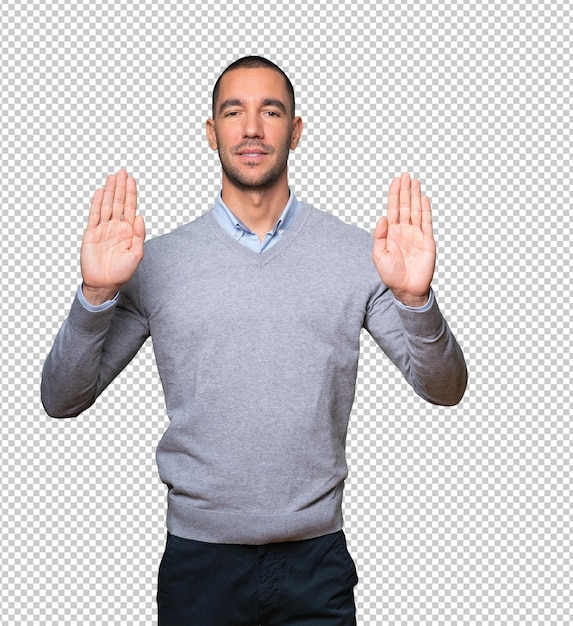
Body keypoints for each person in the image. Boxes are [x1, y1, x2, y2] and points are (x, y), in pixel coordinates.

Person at [42, 56, 467, 625]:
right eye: (232, 112)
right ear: (211, 132)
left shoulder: (361, 256)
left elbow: (444, 389)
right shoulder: (154, 262)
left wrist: (416, 300)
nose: (251, 128)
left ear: (295, 131)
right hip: (199, 564)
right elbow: (61, 398)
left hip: (316, 563)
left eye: (271, 111)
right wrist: (96, 292)